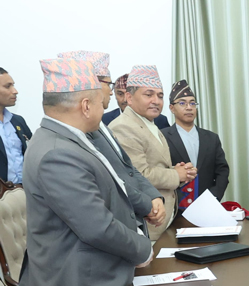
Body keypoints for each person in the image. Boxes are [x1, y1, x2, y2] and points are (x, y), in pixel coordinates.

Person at [16, 58, 152, 286]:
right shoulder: (57, 153)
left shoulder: (68, 140)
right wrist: (143, 248)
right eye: (102, 103)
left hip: (94, 279)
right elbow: (97, 227)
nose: (105, 110)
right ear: (86, 105)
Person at [57, 50, 166, 237]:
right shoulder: (78, 135)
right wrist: (147, 205)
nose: (111, 91)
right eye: (108, 84)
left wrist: (153, 196)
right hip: (114, 231)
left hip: (132, 224)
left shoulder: (100, 126)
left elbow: (129, 169)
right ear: (91, 85)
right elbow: (111, 181)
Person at [110, 65, 194, 240]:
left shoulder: (149, 123)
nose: (156, 101)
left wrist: (178, 171)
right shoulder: (124, 126)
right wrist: (176, 175)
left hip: (162, 221)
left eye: (160, 96)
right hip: (146, 222)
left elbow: (153, 163)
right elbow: (137, 174)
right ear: (129, 97)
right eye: (148, 95)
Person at [162, 80, 231, 209]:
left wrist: (213, 198)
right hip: (175, 207)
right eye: (182, 103)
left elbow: (222, 171)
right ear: (172, 108)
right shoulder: (162, 137)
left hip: (207, 205)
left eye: (192, 103)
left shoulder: (211, 138)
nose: (189, 107)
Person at [103, 73, 169, 129]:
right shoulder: (105, 119)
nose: (125, 99)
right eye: (120, 94)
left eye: (129, 95)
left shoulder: (160, 120)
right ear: (114, 94)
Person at [0, 67, 31, 184]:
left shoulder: (18, 121)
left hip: (24, 190)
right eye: (8, 86)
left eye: (13, 85)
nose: (15, 91)